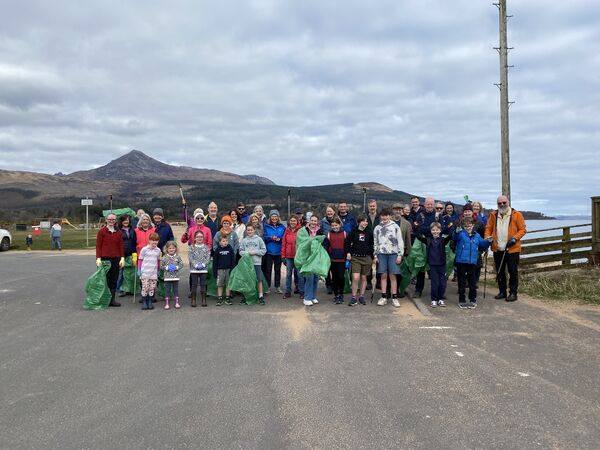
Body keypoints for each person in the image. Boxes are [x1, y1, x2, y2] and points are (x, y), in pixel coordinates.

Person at [485, 195, 527, 302]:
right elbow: (488, 228)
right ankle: (502, 292)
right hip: (498, 248)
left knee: (513, 271)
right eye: (500, 203)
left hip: (512, 249)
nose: (502, 205)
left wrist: (515, 238)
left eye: (504, 202)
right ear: (497, 204)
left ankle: (513, 293)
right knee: (500, 271)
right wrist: (487, 238)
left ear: (508, 202)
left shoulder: (517, 215)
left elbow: (522, 230)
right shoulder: (493, 215)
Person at [452, 218, 491, 308]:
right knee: (461, 282)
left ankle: (472, 299)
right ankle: (462, 300)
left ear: (473, 225)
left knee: (472, 282)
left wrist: (488, 241)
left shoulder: (477, 235)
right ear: (463, 226)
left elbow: (483, 244)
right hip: (461, 261)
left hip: (472, 262)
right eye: (466, 226)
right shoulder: (460, 234)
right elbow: (454, 237)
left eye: (470, 225)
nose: (468, 227)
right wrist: (456, 231)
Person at [416, 222, 452, 308]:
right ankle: (434, 300)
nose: (435, 231)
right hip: (432, 265)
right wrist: (417, 227)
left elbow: (450, 236)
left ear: (440, 230)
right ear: (431, 231)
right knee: (435, 283)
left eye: (437, 230)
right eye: (433, 230)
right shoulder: (428, 240)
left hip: (442, 265)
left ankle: (440, 299)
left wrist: (451, 227)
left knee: (443, 283)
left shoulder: (443, 240)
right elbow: (418, 236)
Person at [374, 208, 404, 307]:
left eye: (386, 215)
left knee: (393, 276)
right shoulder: (377, 228)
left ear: (390, 216)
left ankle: (394, 297)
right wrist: (375, 255)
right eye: (383, 215)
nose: (384, 217)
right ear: (381, 216)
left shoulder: (395, 227)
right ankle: (383, 296)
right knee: (383, 275)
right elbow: (375, 242)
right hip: (381, 254)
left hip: (393, 254)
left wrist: (400, 254)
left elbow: (400, 241)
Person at [95, 213, 125, 307]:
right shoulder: (102, 231)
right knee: (105, 280)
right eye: (109, 219)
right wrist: (98, 258)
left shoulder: (119, 232)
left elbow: (121, 246)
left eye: (113, 219)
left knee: (114, 279)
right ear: (106, 220)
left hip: (116, 258)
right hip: (105, 258)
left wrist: (122, 257)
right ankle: (105, 299)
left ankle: (112, 300)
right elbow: (98, 246)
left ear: (115, 221)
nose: (111, 221)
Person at [345, 215, 374, 306]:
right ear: (359, 222)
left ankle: (361, 296)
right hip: (356, 258)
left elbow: (372, 245)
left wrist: (373, 257)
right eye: (363, 221)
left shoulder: (369, 232)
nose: (365, 223)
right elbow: (347, 243)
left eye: (366, 221)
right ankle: (354, 297)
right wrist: (348, 253)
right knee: (355, 278)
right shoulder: (353, 232)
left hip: (366, 258)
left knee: (364, 278)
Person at [414, 197, 437, 298]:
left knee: (434, 269)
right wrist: (432, 229)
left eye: (431, 204)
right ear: (425, 204)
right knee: (421, 268)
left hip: (435, 244)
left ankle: (436, 291)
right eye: (428, 204)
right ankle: (418, 290)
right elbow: (419, 230)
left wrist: (427, 229)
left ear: (434, 204)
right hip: (423, 243)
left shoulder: (437, 215)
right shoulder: (420, 215)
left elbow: (440, 229)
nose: (430, 206)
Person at [239, 223, 267, 305]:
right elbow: (240, 251)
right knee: (247, 280)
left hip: (256, 263)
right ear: (246, 231)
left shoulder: (259, 239)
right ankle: (247, 296)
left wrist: (255, 252)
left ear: (254, 230)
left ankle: (260, 296)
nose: (250, 231)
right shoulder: (244, 240)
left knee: (259, 279)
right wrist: (247, 253)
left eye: (251, 230)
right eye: (248, 230)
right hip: (247, 263)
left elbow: (263, 250)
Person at [302, 215, 325, 306]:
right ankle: (306, 297)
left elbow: (322, 242)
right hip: (308, 256)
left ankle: (313, 296)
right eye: (312, 220)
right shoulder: (304, 230)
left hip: (317, 256)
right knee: (309, 276)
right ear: (309, 221)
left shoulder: (320, 231)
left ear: (317, 222)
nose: (313, 222)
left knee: (315, 277)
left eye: (315, 221)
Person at [392, 203, 413, 297]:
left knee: (401, 273)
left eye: (400, 209)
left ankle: (399, 290)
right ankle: (390, 290)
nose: (398, 211)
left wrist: (409, 251)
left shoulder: (407, 224)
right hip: (390, 251)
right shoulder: (388, 221)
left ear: (402, 211)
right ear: (393, 210)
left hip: (401, 252)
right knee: (391, 272)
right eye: (396, 209)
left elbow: (408, 238)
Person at [263, 210, 286, 294]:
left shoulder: (282, 227)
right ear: (270, 217)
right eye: (272, 216)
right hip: (269, 252)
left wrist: (280, 239)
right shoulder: (266, 226)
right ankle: (267, 286)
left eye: (276, 216)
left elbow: (285, 238)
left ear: (278, 217)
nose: (274, 218)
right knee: (268, 270)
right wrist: (270, 238)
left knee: (277, 270)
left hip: (278, 252)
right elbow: (264, 238)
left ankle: (277, 286)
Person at [137, 233, 161, 310]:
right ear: (149, 240)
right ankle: (144, 302)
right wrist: (139, 269)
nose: (155, 242)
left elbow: (158, 261)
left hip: (153, 273)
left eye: (156, 240)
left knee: (152, 288)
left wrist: (158, 270)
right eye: (153, 240)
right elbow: (140, 260)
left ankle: (150, 302)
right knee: (145, 287)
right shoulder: (144, 249)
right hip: (145, 273)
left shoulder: (158, 250)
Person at [281, 216, 304, 299]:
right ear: (289, 222)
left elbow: (303, 244)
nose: (293, 222)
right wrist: (283, 256)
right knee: (288, 275)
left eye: (294, 221)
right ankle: (287, 292)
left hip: (298, 256)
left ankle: (302, 292)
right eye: (291, 221)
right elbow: (284, 244)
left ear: (297, 222)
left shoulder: (301, 230)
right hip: (288, 256)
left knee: (299, 275)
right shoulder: (286, 231)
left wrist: (302, 256)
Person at [327, 217, 347, 305]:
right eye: (333, 225)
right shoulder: (329, 234)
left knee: (341, 277)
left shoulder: (344, 233)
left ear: (340, 225)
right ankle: (336, 295)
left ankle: (341, 294)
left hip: (342, 259)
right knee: (334, 278)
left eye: (336, 225)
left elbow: (347, 245)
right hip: (332, 259)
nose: (335, 227)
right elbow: (327, 247)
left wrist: (347, 254)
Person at [188, 230, 211, 307]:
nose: (199, 238)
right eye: (198, 237)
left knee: (203, 284)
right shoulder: (191, 247)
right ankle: (193, 299)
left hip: (203, 269)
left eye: (201, 237)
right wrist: (196, 265)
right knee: (194, 284)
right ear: (194, 238)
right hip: (194, 269)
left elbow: (208, 257)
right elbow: (191, 257)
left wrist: (203, 264)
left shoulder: (206, 247)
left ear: (203, 238)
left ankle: (203, 299)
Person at [116, 214, 137, 297]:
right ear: (121, 221)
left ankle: (129, 289)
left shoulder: (132, 230)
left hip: (131, 253)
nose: (126, 221)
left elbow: (135, 242)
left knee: (129, 273)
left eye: (127, 220)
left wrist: (135, 253)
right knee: (121, 273)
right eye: (124, 220)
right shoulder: (118, 230)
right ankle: (119, 289)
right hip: (121, 254)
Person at [213, 235, 236, 305]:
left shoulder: (230, 249)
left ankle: (227, 298)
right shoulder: (217, 250)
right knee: (220, 284)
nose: (225, 242)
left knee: (228, 284)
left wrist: (232, 269)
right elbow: (215, 262)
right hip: (220, 270)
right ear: (219, 242)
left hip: (228, 269)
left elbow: (233, 260)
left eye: (226, 241)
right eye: (223, 241)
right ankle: (220, 298)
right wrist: (215, 272)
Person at [160, 240, 183, 310]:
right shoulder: (164, 257)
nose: (171, 249)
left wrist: (176, 267)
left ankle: (177, 302)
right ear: (166, 249)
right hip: (167, 277)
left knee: (175, 290)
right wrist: (167, 267)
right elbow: (161, 266)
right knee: (167, 290)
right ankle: (167, 303)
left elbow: (181, 264)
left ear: (175, 248)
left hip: (175, 277)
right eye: (169, 248)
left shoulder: (178, 257)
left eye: (173, 248)